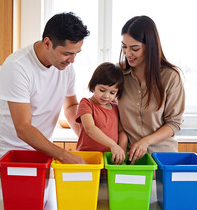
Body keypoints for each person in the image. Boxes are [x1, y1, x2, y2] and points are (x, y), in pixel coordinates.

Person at [0, 12, 90, 177]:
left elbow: (71, 106)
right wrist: (64, 155)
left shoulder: (66, 67)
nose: (72, 60)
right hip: (9, 157)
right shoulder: (17, 67)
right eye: (67, 53)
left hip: (42, 155)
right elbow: (23, 127)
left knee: (42, 203)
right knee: (7, 204)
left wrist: (87, 138)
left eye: (76, 53)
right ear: (47, 43)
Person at [118, 15, 185, 164]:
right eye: (124, 46)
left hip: (163, 160)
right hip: (129, 161)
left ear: (150, 46)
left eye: (134, 48)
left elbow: (174, 123)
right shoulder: (118, 73)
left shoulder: (170, 77)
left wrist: (146, 141)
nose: (127, 53)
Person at [76, 62, 126, 164]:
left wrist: (121, 151)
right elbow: (90, 129)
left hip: (109, 160)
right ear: (93, 85)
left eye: (112, 92)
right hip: (88, 160)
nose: (106, 96)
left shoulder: (116, 108)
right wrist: (113, 145)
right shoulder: (86, 103)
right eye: (102, 90)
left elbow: (122, 132)